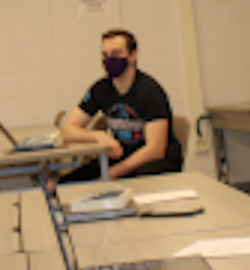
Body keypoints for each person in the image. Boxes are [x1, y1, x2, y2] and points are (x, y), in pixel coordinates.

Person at [59, 28, 183, 181]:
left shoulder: (150, 91)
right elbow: (67, 131)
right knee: (65, 183)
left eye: (116, 54)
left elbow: (155, 150)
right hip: (123, 156)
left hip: (155, 162)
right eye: (105, 55)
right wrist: (99, 137)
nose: (109, 60)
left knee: (131, 183)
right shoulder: (101, 88)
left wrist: (113, 173)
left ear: (133, 55)